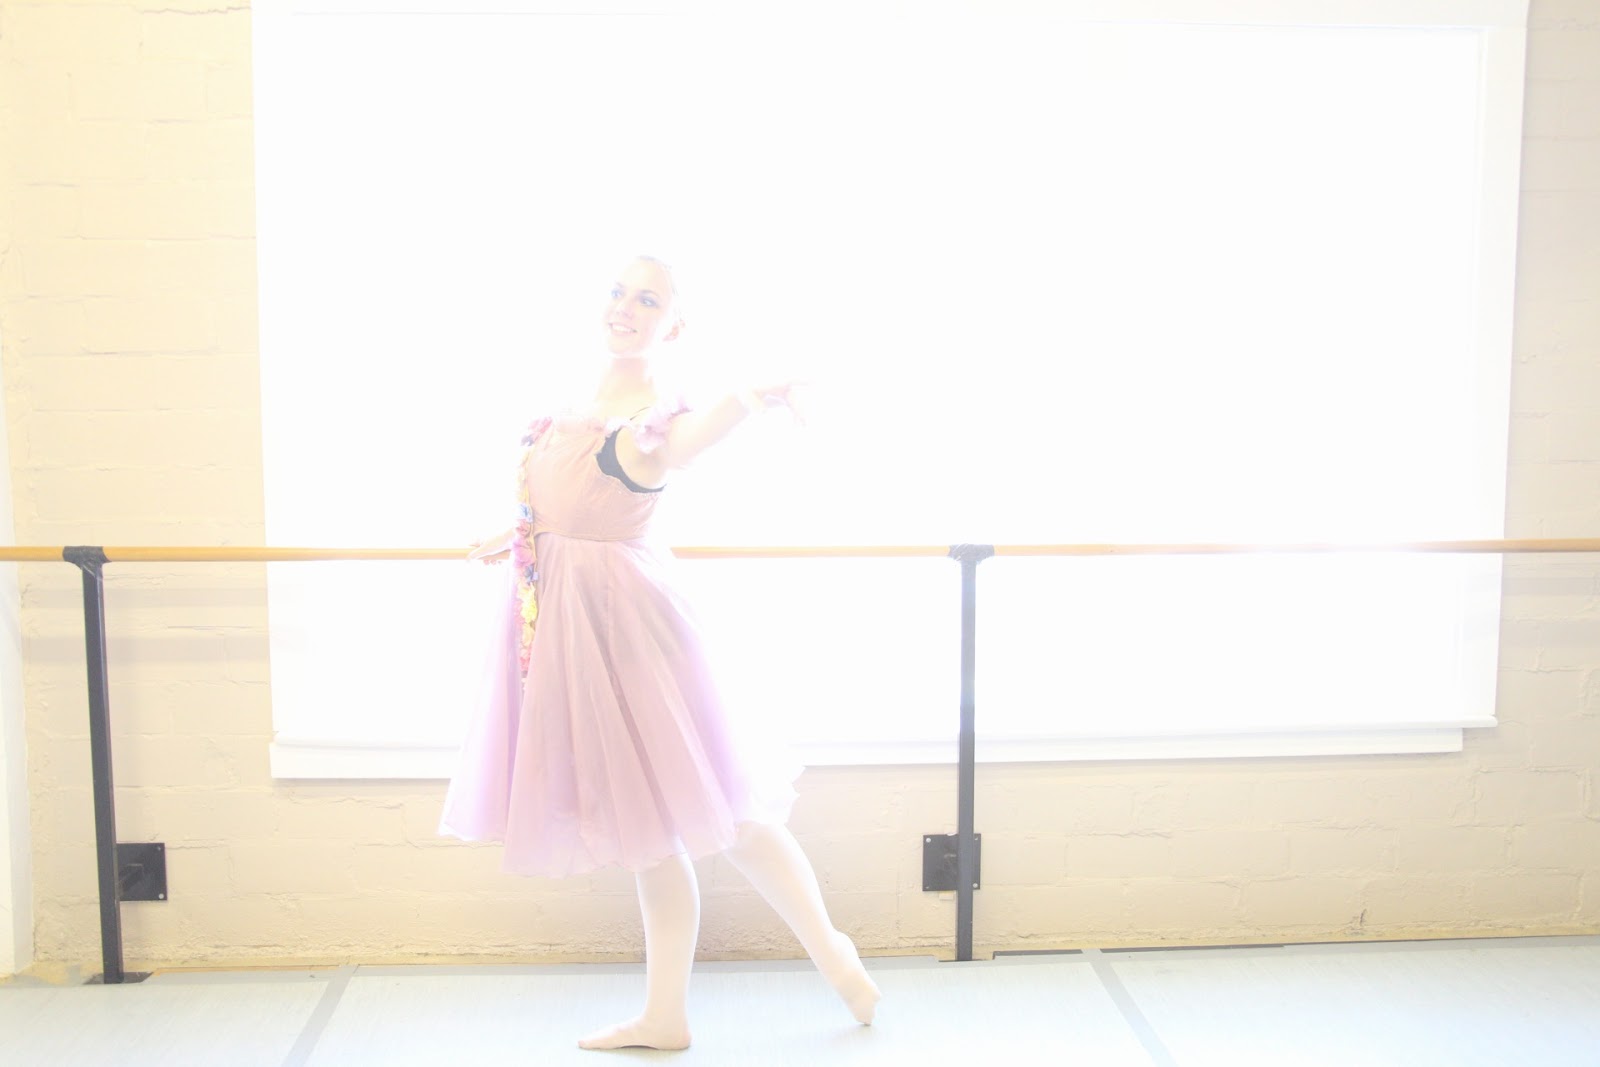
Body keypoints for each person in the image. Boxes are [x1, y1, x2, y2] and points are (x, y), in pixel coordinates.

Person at [439, 256, 880, 1050]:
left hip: (633, 630)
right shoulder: (574, 402)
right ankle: (665, 1013)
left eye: (648, 299)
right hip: (576, 626)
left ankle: (833, 951)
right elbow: (576, 499)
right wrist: (520, 531)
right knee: (650, 834)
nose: (626, 307)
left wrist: (750, 395)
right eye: (619, 291)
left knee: (730, 816)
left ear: (673, 323)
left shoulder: (653, 411)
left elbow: (685, 443)